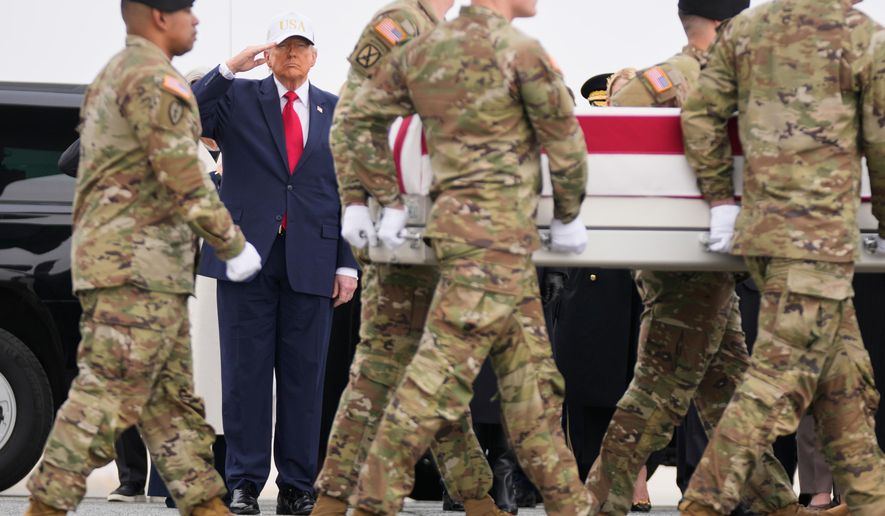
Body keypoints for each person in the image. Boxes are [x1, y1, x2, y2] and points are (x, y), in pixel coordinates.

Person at [584, 2, 846, 516]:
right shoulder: (674, 81)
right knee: (658, 390)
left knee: (727, 392)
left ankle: (774, 502)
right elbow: (614, 148)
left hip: (714, 266)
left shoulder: (717, 80)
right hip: (684, 263)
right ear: (729, 26)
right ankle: (594, 503)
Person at [339, 0, 591, 514]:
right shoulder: (522, 52)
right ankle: (369, 502)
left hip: (460, 236)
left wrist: (382, 198)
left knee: (536, 388)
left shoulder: (427, 48)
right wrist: (567, 214)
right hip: (497, 245)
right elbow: (566, 143)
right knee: (432, 384)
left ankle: (568, 504)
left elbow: (354, 122)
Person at [23, 0, 262, 514]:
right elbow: (184, 176)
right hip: (138, 272)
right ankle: (44, 506)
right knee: (104, 397)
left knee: (172, 405)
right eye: (188, 11)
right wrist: (233, 245)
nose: (196, 20)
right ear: (159, 16)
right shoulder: (156, 81)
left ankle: (207, 504)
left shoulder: (116, 73)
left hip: (139, 269)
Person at [678, 0, 885, 514]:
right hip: (818, 239)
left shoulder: (745, 29)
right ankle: (702, 504)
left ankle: (870, 501)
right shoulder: (861, 34)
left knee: (844, 381)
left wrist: (721, 200)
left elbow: (701, 115)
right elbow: (881, 141)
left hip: (766, 236)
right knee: (774, 387)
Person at [312, 2, 498, 516]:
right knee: (383, 362)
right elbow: (352, 120)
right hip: (405, 229)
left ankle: (476, 495)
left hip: (438, 225)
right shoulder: (398, 25)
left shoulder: (444, 30)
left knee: (432, 366)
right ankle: (331, 498)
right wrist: (375, 200)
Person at [191, 11, 358, 516]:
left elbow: (345, 191)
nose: (292, 54)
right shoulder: (238, 97)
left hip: (313, 257)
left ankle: (298, 484)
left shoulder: (334, 110)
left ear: (313, 55)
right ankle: (243, 481)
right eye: (283, 46)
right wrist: (228, 68)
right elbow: (186, 115)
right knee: (244, 374)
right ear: (266, 53)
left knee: (305, 377)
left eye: (301, 46)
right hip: (245, 258)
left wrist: (347, 263)